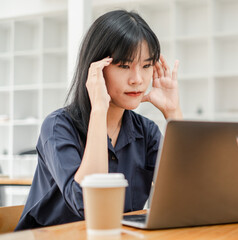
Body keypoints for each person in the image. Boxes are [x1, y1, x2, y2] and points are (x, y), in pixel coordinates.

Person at [15, 9, 182, 230]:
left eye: (146, 65)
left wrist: (173, 113)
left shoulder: (147, 132)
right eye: (124, 66)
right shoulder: (57, 127)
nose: (138, 79)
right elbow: (87, 203)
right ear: (96, 69)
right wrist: (99, 108)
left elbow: (188, 193)